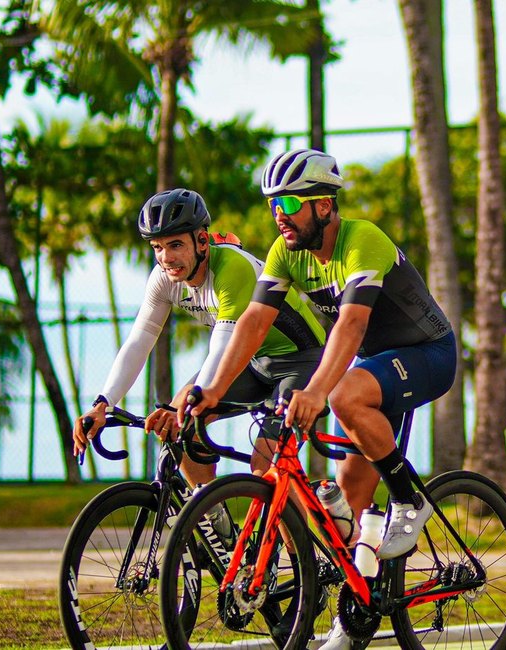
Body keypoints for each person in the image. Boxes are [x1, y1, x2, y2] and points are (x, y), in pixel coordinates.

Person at [185, 146, 456, 574]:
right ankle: (361, 603)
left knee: (343, 396)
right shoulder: (285, 251)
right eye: (274, 205)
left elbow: (352, 324)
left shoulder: (362, 240)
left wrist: (315, 391)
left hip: (428, 353)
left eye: (290, 204)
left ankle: (409, 499)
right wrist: (214, 388)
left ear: (324, 206)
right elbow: (254, 321)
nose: (280, 215)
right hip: (374, 367)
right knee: (349, 507)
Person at [72, 188, 327, 486]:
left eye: (175, 245)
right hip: (250, 363)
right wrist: (103, 403)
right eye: (157, 247)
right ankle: (209, 511)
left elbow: (223, 348)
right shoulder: (163, 278)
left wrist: (180, 406)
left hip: (302, 363)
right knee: (181, 430)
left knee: (265, 466)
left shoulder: (232, 268)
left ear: (202, 241)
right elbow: (140, 340)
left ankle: (302, 516)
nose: (166, 258)